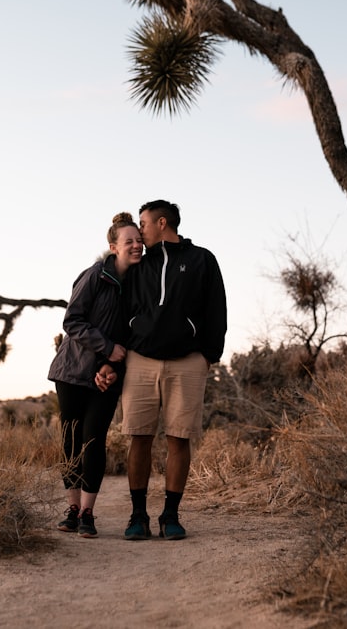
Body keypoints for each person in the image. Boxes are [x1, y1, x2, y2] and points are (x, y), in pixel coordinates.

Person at [117, 199, 227, 540]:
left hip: (188, 361)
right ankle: (138, 516)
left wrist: (209, 354)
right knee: (139, 437)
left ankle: (171, 515)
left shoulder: (202, 260)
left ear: (162, 223)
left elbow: (216, 307)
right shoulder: (138, 263)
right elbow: (121, 306)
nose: (140, 231)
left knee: (180, 438)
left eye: (144, 224)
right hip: (141, 359)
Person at [47, 212, 143, 538]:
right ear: (114, 246)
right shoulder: (94, 276)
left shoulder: (140, 285)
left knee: (94, 440)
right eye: (129, 241)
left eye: (138, 240)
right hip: (72, 370)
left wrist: (111, 366)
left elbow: (135, 335)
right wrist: (106, 349)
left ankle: (88, 512)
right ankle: (72, 508)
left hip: (107, 376)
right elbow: (72, 321)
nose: (136, 246)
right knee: (71, 441)